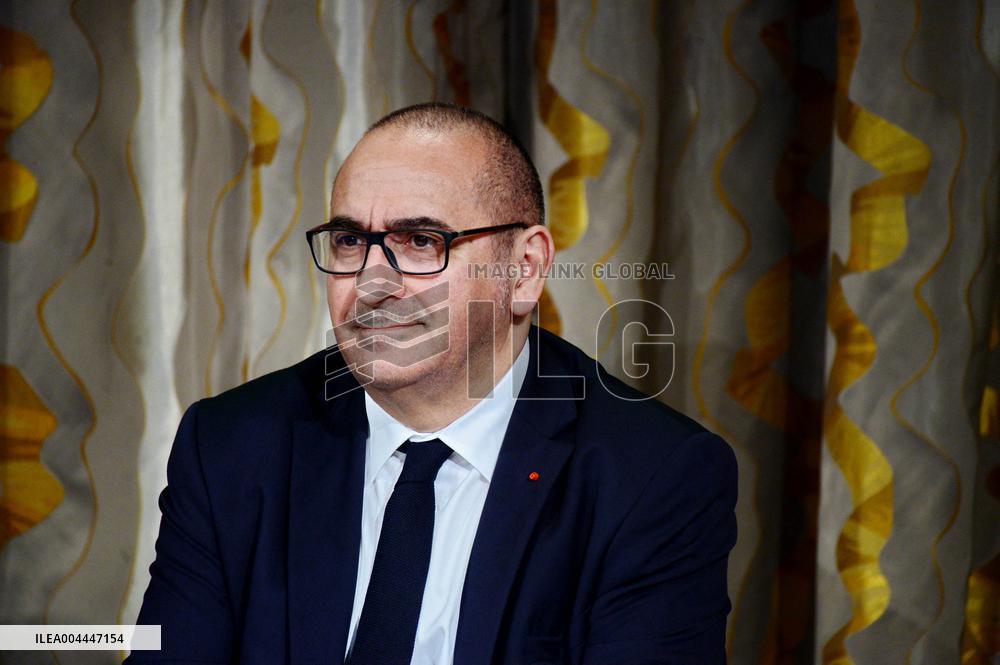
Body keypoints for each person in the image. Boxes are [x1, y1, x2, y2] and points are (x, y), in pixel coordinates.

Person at [126, 102, 737, 665]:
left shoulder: (654, 476)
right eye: (348, 241)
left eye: (421, 242)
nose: (371, 282)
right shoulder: (232, 446)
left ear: (523, 271)